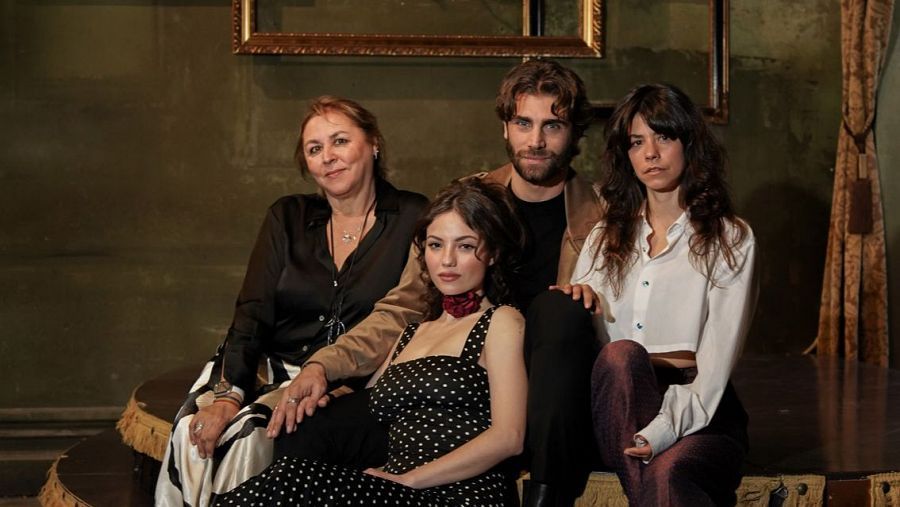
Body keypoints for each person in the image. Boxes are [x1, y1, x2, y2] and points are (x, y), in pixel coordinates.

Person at [266, 59, 604, 507]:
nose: (536, 141)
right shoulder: (466, 201)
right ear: (506, 127)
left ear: (574, 132)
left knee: (559, 307)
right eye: (524, 123)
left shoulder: (604, 214)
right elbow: (404, 306)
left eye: (553, 126)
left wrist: (594, 300)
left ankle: (546, 494)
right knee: (305, 428)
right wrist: (323, 366)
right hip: (449, 383)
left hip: (538, 397)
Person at [154, 96, 428, 507]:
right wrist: (229, 395)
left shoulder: (413, 215)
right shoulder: (288, 216)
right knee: (194, 429)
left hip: (351, 375)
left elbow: (406, 317)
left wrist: (341, 380)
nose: (328, 157)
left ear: (373, 144)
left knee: (251, 433)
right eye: (315, 149)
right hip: (263, 363)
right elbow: (252, 311)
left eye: (340, 141)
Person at [213, 178, 528, 506]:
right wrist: (322, 395)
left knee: (294, 479)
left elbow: (510, 437)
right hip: (394, 488)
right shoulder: (412, 332)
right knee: (292, 473)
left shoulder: (501, 321)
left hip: (458, 493)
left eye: (464, 246)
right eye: (436, 245)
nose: (447, 260)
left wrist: (410, 479)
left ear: (493, 253)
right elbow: (366, 401)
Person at [571, 83, 757, 506]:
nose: (650, 153)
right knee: (621, 356)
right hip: (618, 404)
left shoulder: (730, 238)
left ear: (689, 143)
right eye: (637, 142)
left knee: (669, 470)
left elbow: (716, 364)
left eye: (663, 137)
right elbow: (593, 352)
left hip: (702, 410)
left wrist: (660, 431)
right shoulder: (603, 238)